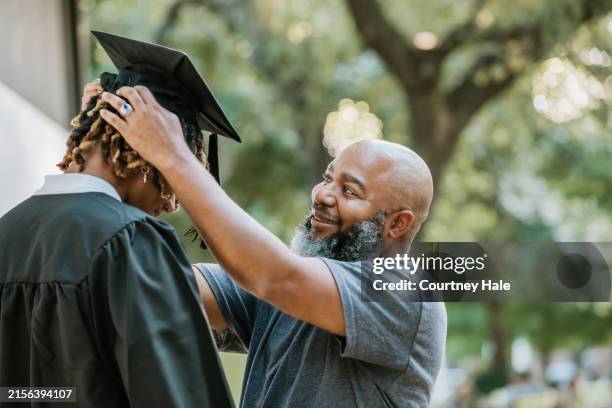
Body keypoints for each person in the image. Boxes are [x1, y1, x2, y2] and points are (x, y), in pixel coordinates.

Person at [99, 80, 447, 407]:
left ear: (397, 224)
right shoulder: (287, 294)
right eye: (327, 178)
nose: (323, 194)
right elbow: (158, 284)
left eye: (349, 190)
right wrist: (104, 151)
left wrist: (172, 154)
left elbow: (274, 275)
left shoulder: (406, 294)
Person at [0, 32, 238, 407]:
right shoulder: (130, 241)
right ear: (145, 150)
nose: (171, 201)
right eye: (176, 165)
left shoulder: (6, 234)